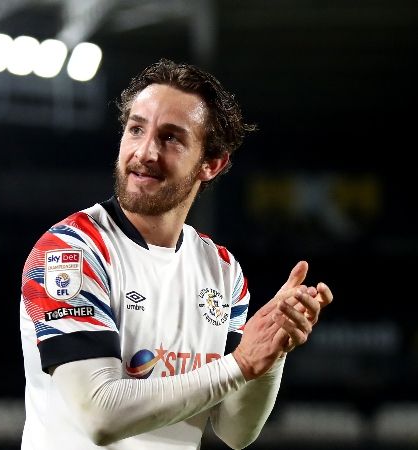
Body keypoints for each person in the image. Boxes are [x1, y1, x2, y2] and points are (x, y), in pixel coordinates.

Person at [18, 59, 333, 450]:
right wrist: (239, 365)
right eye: (136, 129)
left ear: (211, 164)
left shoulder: (223, 272)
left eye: (170, 138)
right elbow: (100, 416)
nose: (145, 152)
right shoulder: (70, 250)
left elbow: (235, 432)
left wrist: (273, 348)